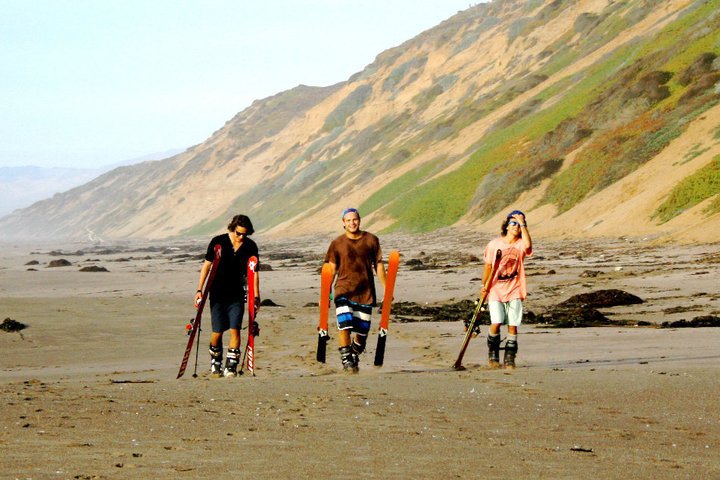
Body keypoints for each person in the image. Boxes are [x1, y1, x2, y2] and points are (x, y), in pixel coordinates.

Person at [195, 214, 260, 378]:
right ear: (233, 228)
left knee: (235, 330)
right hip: (217, 294)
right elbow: (206, 266)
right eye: (238, 233)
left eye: (245, 234)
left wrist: (256, 297)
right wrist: (199, 290)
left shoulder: (250, 246)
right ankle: (215, 361)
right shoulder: (218, 242)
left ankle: (231, 366)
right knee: (217, 331)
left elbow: (254, 273)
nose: (241, 237)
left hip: (237, 294)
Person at [324, 208, 387, 372]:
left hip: (365, 292)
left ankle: (355, 350)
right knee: (344, 323)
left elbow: (378, 265)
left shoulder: (371, 240)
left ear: (359, 220)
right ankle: (346, 358)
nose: (352, 223)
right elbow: (331, 269)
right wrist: (325, 294)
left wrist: (387, 289)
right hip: (343, 290)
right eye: (348, 220)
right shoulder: (337, 244)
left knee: (362, 333)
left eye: (355, 219)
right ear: (343, 223)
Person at [481, 209, 532, 369]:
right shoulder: (494, 244)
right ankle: (493, 353)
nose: (516, 226)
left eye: (519, 224)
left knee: (513, 323)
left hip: (514, 287)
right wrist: (484, 287)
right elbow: (488, 267)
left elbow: (528, 245)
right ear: (507, 226)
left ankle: (510, 357)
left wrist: (523, 223)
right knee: (496, 321)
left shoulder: (520, 244)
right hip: (496, 288)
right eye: (513, 223)